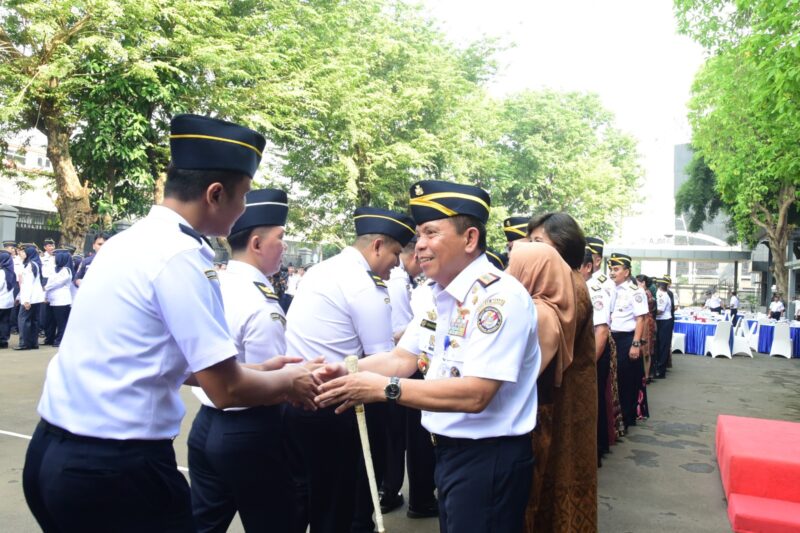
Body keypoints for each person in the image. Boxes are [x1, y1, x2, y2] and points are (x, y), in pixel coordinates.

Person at [22, 114, 320, 532]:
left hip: (52, 455)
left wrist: (259, 370)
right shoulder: (181, 256)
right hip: (115, 472)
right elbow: (226, 388)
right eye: (243, 197)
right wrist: (292, 382)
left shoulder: (129, 241)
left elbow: (149, 359)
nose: (242, 211)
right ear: (215, 194)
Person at [316, 180, 540, 533]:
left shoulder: (498, 299)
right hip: (450, 454)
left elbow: (476, 393)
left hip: (487, 459)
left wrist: (384, 389)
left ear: (469, 239)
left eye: (431, 233)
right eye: (419, 234)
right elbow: (402, 359)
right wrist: (338, 370)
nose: (418, 245)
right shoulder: (440, 297)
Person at [283, 206, 415, 533]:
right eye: (396, 253)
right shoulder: (364, 285)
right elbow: (383, 358)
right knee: (336, 507)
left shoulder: (323, 269)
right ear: (378, 246)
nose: (397, 263)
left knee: (303, 498)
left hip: (298, 400)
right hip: (335, 407)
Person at [188, 188, 305, 533]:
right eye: (280, 238)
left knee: (203, 524)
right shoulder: (259, 301)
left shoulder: (215, 282)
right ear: (256, 244)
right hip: (252, 429)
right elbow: (271, 382)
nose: (284, 246)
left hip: (206, 425)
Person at [523, 213, 598, 532]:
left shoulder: (564, 287)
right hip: (570, 401)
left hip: (561, 404)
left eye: (538, 243)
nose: (528, 248)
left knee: (555, 480)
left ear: (562, 248)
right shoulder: (566, 282)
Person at [381, 236, 438, 519]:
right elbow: (402, 354)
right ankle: (408, 495)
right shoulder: (424, 289)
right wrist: (345, 370)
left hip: (471, 440)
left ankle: (403, 493)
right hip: (410, 376)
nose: (424, 247)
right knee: (407, 440)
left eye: (433, 233)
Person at [608, 253, 649, 431]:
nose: (612, 273)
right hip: (610, 337)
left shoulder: (636, 292)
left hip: (627, 338)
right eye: (610, 269)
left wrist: (636, 344)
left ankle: (627, 417)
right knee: (613, 380)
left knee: (626, 380)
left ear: (627, 272)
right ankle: (615, 419)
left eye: (616, 269)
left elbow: (641, 319)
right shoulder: (608, 289)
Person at [15, 243, 44, 350]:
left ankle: (24, 343)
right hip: (36, 297)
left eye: (23, 251)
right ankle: (33, 342)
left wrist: (26, 300)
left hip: (30, 298)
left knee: (24, 320)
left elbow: (27, 284)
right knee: (34, 320)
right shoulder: (35, 263)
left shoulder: (29, 266)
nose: (21, 254)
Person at [42, 249, 73, 347]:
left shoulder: (66, 270)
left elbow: (58, 282)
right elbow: (49, 282)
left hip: (61, 300)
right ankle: (50, 338)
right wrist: (45, 296)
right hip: (52, 299)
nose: (54, 258)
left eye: (56, 257)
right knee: (50, 321)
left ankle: (60, 339)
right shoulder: (54, 269)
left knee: (61, 321)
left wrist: (46, 288)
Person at [654, 278, 673, 379]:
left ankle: (661, 371)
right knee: (661, 346)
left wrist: (650, 314)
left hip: (664, 322)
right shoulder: (663, 294)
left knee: (663, 346)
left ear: (659, 285)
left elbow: (660, 311)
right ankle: (660, 369)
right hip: (663, 321)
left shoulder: (661, 295)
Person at [0, 250, 15, 348]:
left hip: (1, 300)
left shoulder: (1, 272)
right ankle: (4, 340)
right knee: (5, 321)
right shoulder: (11, 271)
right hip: (8, 301)